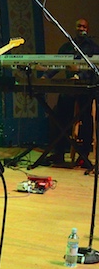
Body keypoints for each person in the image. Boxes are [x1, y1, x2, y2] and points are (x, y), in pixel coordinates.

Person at [48, 18, 99, 169]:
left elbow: (94, 68)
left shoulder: (93, 48)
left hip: (86, 89)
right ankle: (59, 152)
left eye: (84, 26)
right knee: (59, 114)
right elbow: (57, 64)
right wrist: (46, 77)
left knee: (86, 118)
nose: (81, 28)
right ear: (75, 28)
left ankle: (83, 155)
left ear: (87, 29)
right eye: (79, 26)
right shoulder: (67, 47)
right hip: (69, 89)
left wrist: (80, 76)